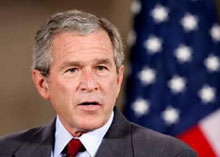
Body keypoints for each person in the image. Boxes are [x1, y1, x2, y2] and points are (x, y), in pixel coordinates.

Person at [0, 10, 197, 157]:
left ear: (118, 79)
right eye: (73, 70)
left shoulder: (169, 154)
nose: (90, 84)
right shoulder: (7, 150)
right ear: (43, 84)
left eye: (101, 68)